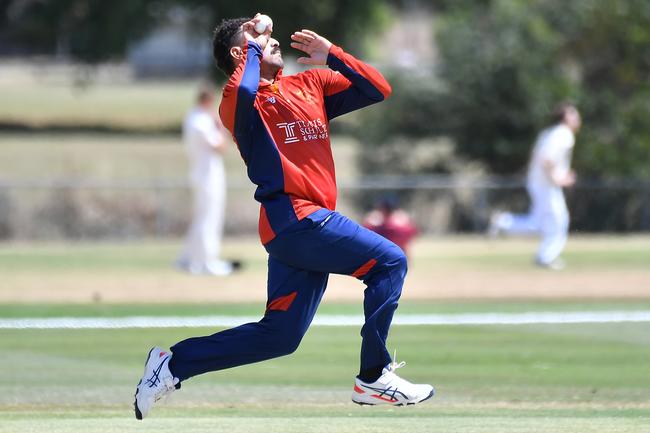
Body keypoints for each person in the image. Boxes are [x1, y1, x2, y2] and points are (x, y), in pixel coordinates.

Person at [134, 14, 434, 420]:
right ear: (242, 53)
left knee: (280, 336)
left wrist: (333, 55)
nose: (270, 38)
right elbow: (241, 84)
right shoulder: (240, 102)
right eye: (257, 37)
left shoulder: (309, 84)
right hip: (295, 219)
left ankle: (171, 364)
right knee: (390, 260)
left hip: (303, 228)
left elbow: (377, 88)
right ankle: (374, 376)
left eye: (268, 34)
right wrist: (255, 46)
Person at [489, 103, 582, 270]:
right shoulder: (563, 134)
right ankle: (545, 257)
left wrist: (560, 175)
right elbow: (546, 158)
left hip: (539, 181)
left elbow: (542, 157)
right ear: (565, 118)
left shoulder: (550, 133)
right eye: (574, 115)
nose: (577, 118)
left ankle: (504, 223)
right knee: (560, 220)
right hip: (545, 184)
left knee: (539, 222)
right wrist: (558, 178)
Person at [176, 88, 237, 276]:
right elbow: (220, 147)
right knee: (209, 218)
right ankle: (207, 261)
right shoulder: (201, 121)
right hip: (207, 176)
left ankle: (188, 258)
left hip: (202, 174)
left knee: (203, 217)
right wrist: (220, 127)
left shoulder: (193, 117)